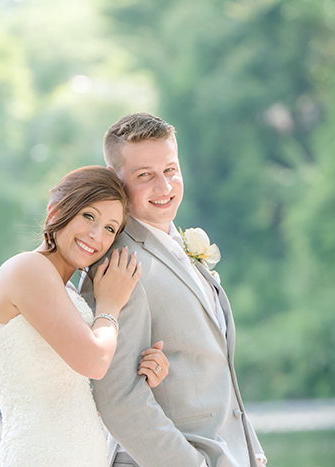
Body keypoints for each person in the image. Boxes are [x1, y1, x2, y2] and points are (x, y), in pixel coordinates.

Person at [80, 113, 267, 467]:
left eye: (170, 170)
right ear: (116, 182)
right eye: (145, 176)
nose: (164, 187)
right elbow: (118, 397)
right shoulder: (119, 263)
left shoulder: (174, 243)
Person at [0, 166, 170, 467]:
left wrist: (141, 373)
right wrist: (110, 304)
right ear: (56, 211)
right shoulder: (28, 268)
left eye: (110, 228)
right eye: (89, 216)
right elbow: (94, 362)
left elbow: (75, 395)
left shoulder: (65, 290)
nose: (96, 235)